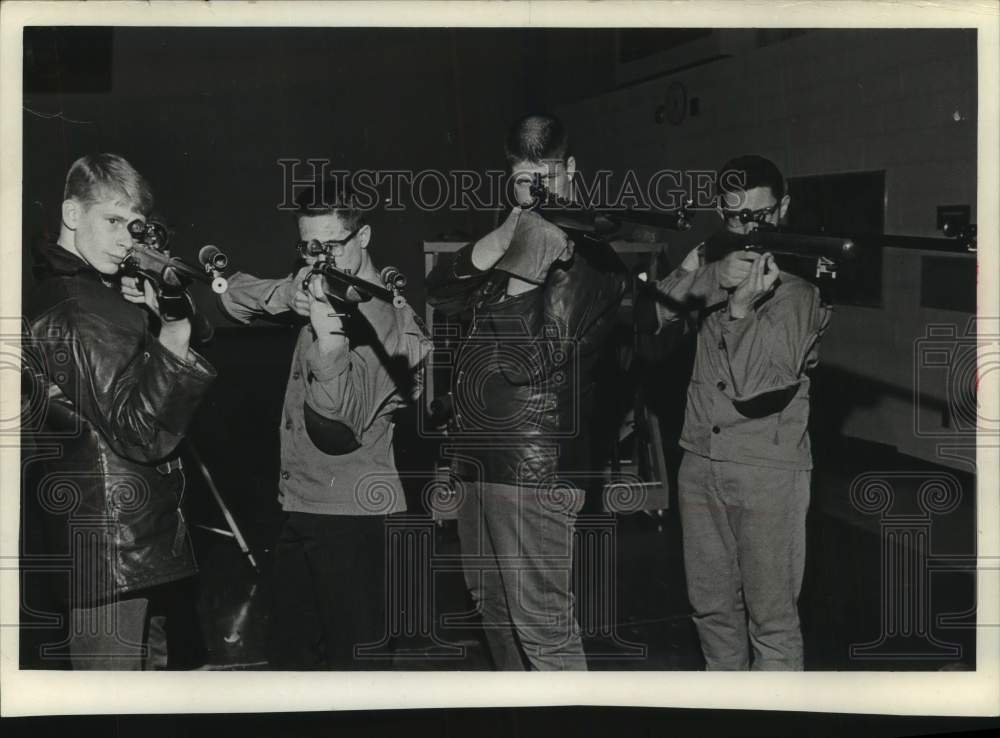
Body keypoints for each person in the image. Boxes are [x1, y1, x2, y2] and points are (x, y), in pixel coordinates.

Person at [427, 114, 627, 670]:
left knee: (543, 629)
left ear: (570, 171)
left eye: (545, 176)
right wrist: (502, 240)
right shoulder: (519, 234)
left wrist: (524, 268)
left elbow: (524, 360)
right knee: (491, 608)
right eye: (523, 179)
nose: (535, 190)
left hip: (534, 470)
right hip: (481, 458)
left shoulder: (584, 256)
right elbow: (442, 294)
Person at [218, 181, 431, 669]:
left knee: (359, 672)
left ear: (364, 237)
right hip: (299, 505)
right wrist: (288, 295)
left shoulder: (393, 324)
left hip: (355, 518)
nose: (317, 259)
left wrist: (330, 335)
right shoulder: (317, 285)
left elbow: (337, 422)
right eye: (307, 247)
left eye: (330, 246)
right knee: (291, 661)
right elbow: (233, 297)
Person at [21, 153, 217, 670]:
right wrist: (172, 334)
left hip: (130, 548)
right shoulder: (75, 304)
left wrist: (157, 309)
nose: (125, 239)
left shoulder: (94, 293)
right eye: (111, 220)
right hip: (116, 553)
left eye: (132, 225)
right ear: (70, 213)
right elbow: (138, 431)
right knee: (115, 709)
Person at [650, 154, 832, 670]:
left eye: (762, 215)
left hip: (766, 473)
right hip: (699, 463)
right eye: (738, 218)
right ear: (721, 213)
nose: (751, 230)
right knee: (711, 613)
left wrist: (738, 309)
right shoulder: (713, 261)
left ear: (784, 209)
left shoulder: (800, 291)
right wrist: (709, 277)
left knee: (771, 625)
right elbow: (651, 313)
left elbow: (759, 384)